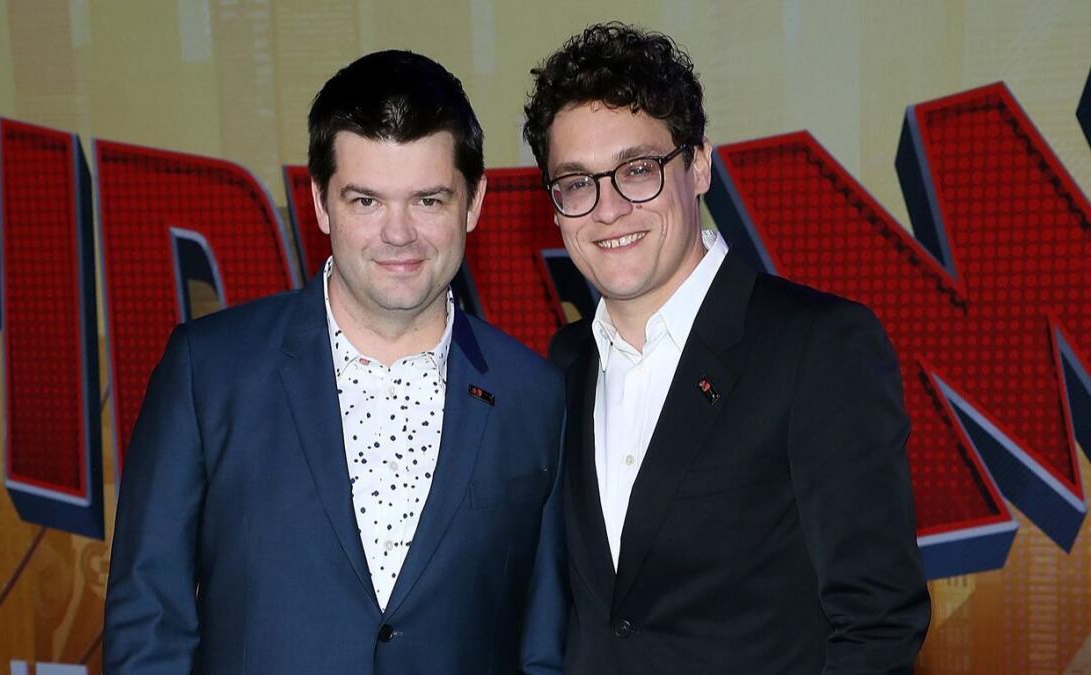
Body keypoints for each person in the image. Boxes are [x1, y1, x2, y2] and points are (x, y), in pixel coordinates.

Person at [105, 50, 566, 674]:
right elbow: (148, 627)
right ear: (321, 203)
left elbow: (542, 650)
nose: (397, 234)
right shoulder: (208, 373)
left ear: (474, 201)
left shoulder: (533, 395)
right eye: (366, 201)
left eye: (428, 200)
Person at [524, 23, 930, 674]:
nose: (608, 209)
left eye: (637, 170)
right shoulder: (562, 363)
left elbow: (878, 622)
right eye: (577, 182)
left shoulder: (817, 346)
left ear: (700, 165)